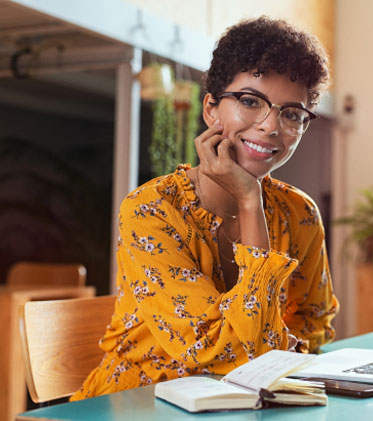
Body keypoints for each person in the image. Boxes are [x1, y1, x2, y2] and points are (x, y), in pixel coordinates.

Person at [72, 16, 339, 400]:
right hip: (139, 404)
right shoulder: (150, 210)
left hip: (244, 404)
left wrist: (268, 353)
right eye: (250, 101)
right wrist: (249, 199)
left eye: (291, 113)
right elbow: (213, 351)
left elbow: (312, 322)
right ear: (211, 109)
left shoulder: (299, 213)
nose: (270, 126)